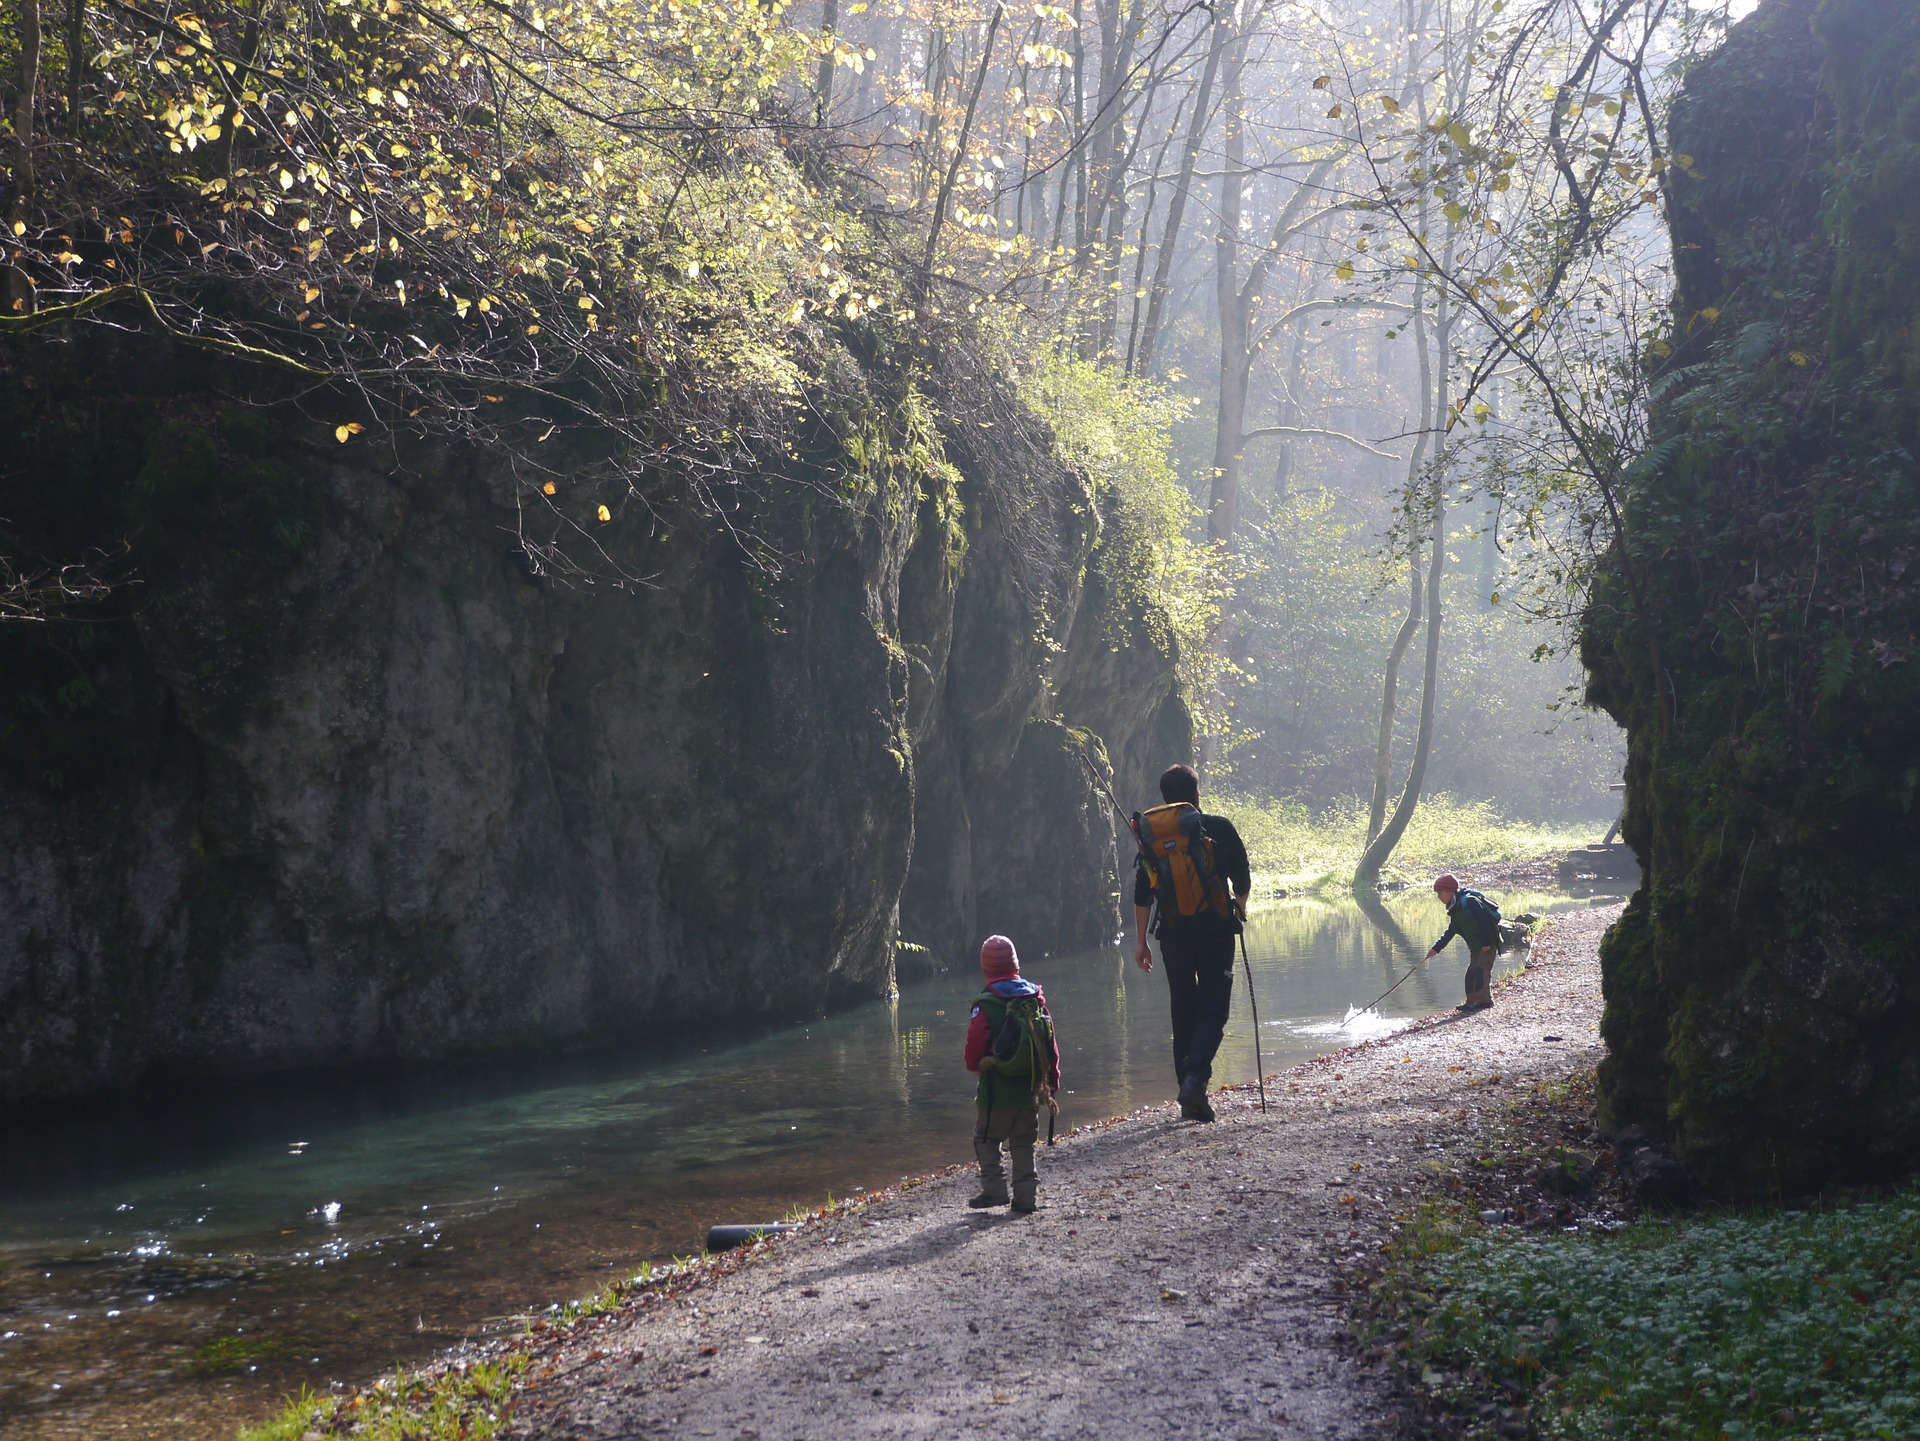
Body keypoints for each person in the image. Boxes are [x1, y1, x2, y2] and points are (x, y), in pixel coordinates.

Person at [1132, 764, 1251, 1123]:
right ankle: (1196, 1078)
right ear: (1196, 796)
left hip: (1173, 938)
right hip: (1215, 933)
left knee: (1182, 1010)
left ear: (1166, 798)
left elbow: (1143, 895)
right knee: (1214, 1009)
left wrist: (1141, 944)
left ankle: (1187, 1090)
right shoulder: (1217, 827)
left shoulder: (1152, 839)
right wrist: (1238, 910)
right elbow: (1242, 878)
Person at [964, 935, 1061, 1214]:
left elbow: (975, 1039)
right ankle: (1026, 1198)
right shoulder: (1033, 998)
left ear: (986, 969)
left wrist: (974, 1066)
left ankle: (994, 1190)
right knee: (1023, 1144)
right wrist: (1052, 1081)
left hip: (996, 1093)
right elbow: (1049, 1042)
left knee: (985, 1138)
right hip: (1030, 1090)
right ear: (1015, 965)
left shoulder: (986, 1003)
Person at [1424, 873, 1501, 1012]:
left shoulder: (1469, 901)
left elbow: (1485, 921)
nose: (1439, 897)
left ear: (1450, 891)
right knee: (1471, 973)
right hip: (1476, 946)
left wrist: (1486, 942)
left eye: (1440, 893)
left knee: (1481, 971)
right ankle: (1471, 1002)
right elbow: (1451, 931)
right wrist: (1436, 948)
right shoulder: (1456, 908)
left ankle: (1484, 1001)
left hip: (1487, 943)